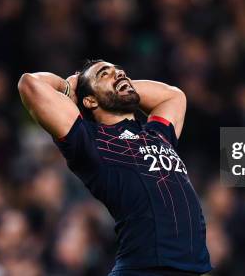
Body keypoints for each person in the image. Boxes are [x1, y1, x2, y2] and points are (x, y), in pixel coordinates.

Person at [18, 59, 212, 275]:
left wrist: (120, 83)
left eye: (120, 71)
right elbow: (30, 85)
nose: (119, 74)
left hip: (188, 270)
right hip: (145, 268)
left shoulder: (157, 134)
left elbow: (174, 96)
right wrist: (69, 86)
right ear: (90, 101)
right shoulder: (88, 140)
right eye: (104, 73)